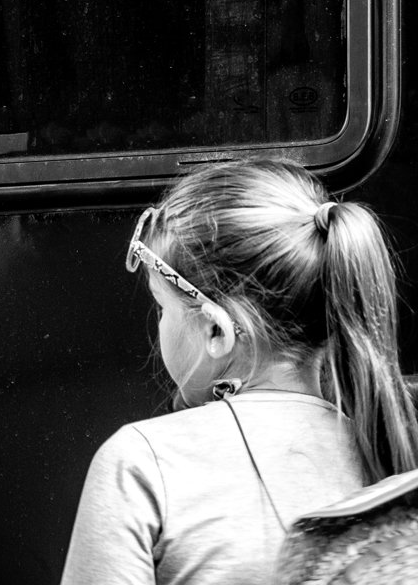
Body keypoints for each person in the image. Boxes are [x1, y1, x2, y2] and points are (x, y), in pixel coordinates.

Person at [60, 159, 418, 585]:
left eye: (162, 307)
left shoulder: (142, 462)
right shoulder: (390, 444)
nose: (158, 325)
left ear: (216, 330)